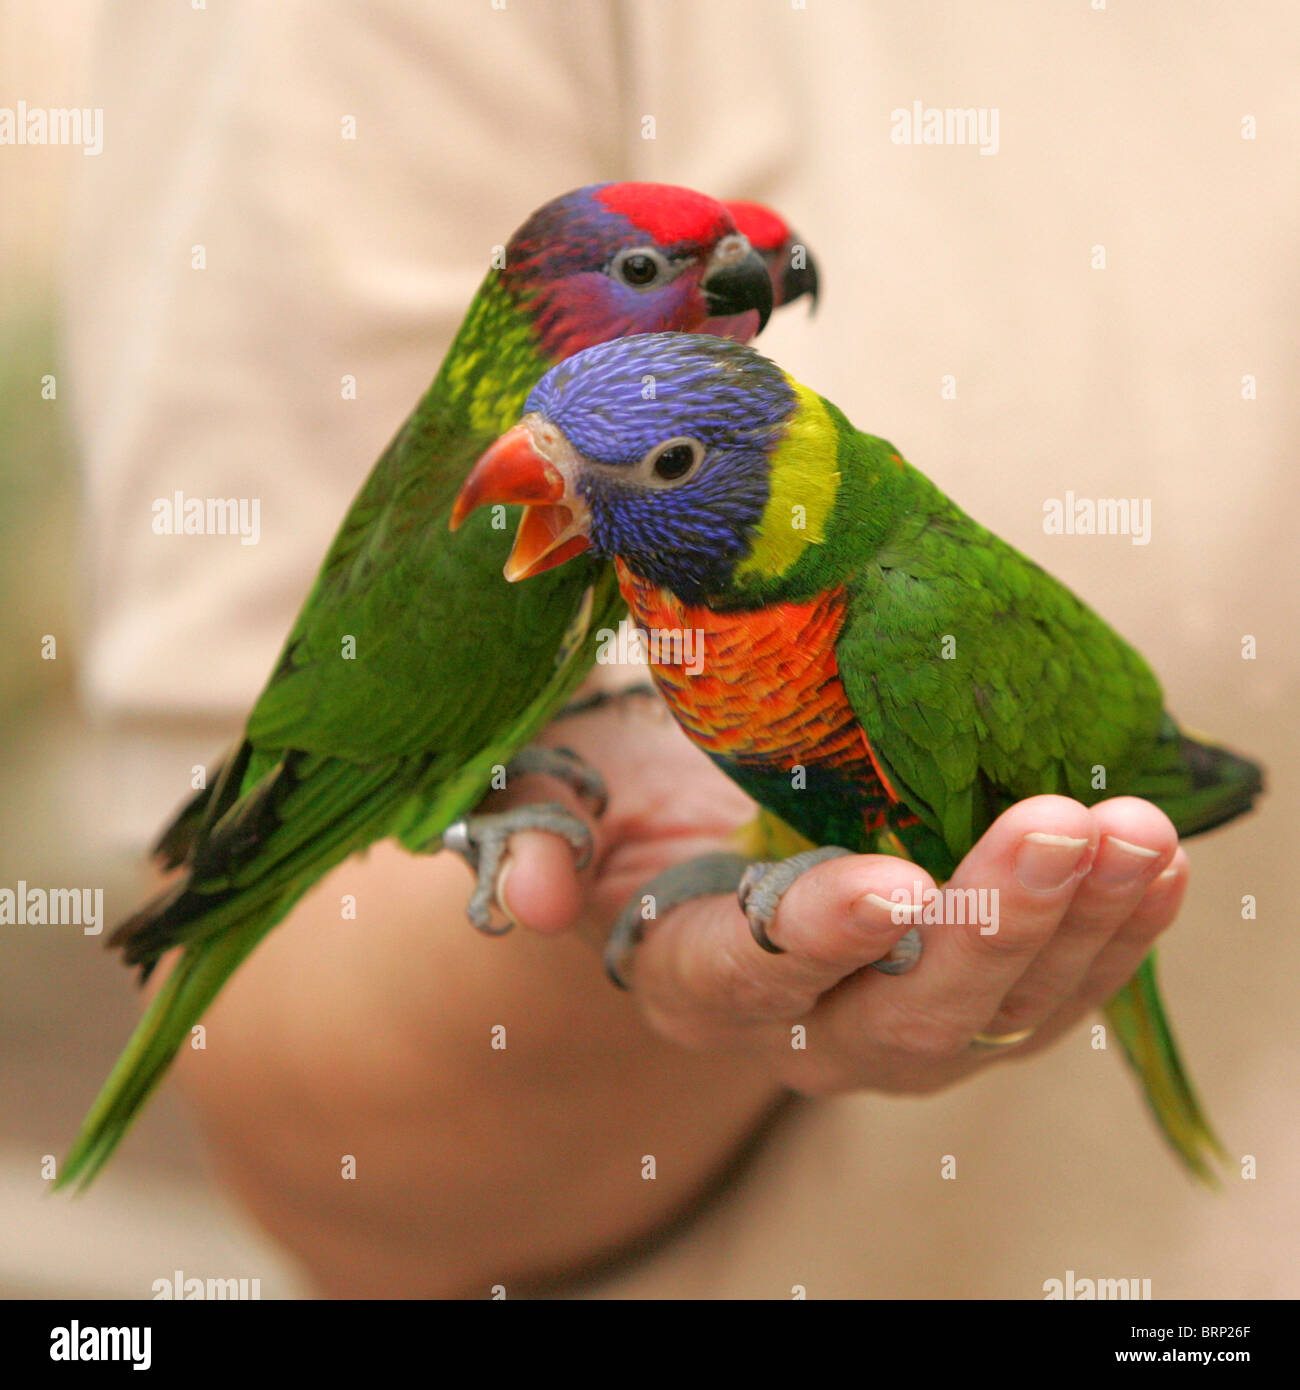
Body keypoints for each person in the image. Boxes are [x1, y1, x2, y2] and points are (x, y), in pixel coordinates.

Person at [68, 1, 1293, 1298]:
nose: (739, 288)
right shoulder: (532, 532)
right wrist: (550, 852)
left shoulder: (808, 582)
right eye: (672, 272)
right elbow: (307, 1129)